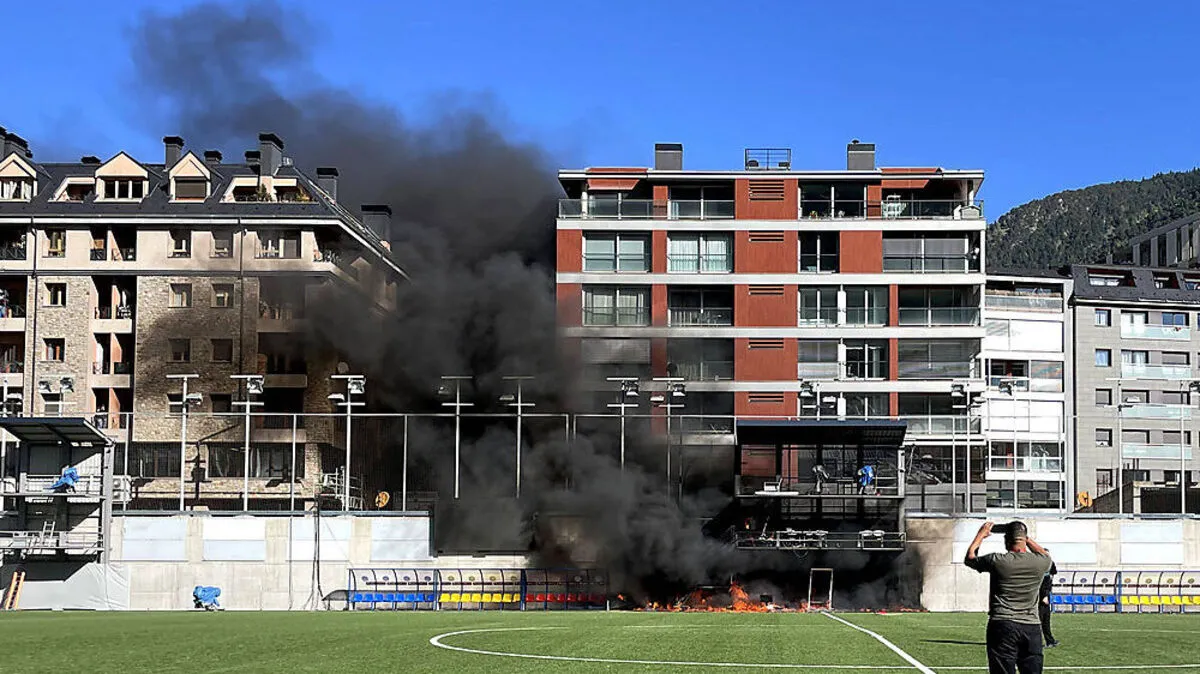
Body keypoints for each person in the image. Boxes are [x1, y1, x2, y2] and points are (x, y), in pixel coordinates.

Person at [964, 521, 1054, 674]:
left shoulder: (997, 560)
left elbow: (970, 558)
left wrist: (981, 535)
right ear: (1024, 539)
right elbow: (1044, 555)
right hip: (1031, 626)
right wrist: (1025, 537)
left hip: (1002, 623)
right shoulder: (1042, 562)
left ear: (1006, 541)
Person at [1039, 561, 1059, 648]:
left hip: (1045, 598)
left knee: (1046, 621)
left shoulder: (1048, 575)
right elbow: (1042, 587)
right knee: (1040, 621)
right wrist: (1044, 596)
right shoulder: (1043, 575)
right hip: (1041, 599)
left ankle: (1050, 640)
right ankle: (1038, 642)